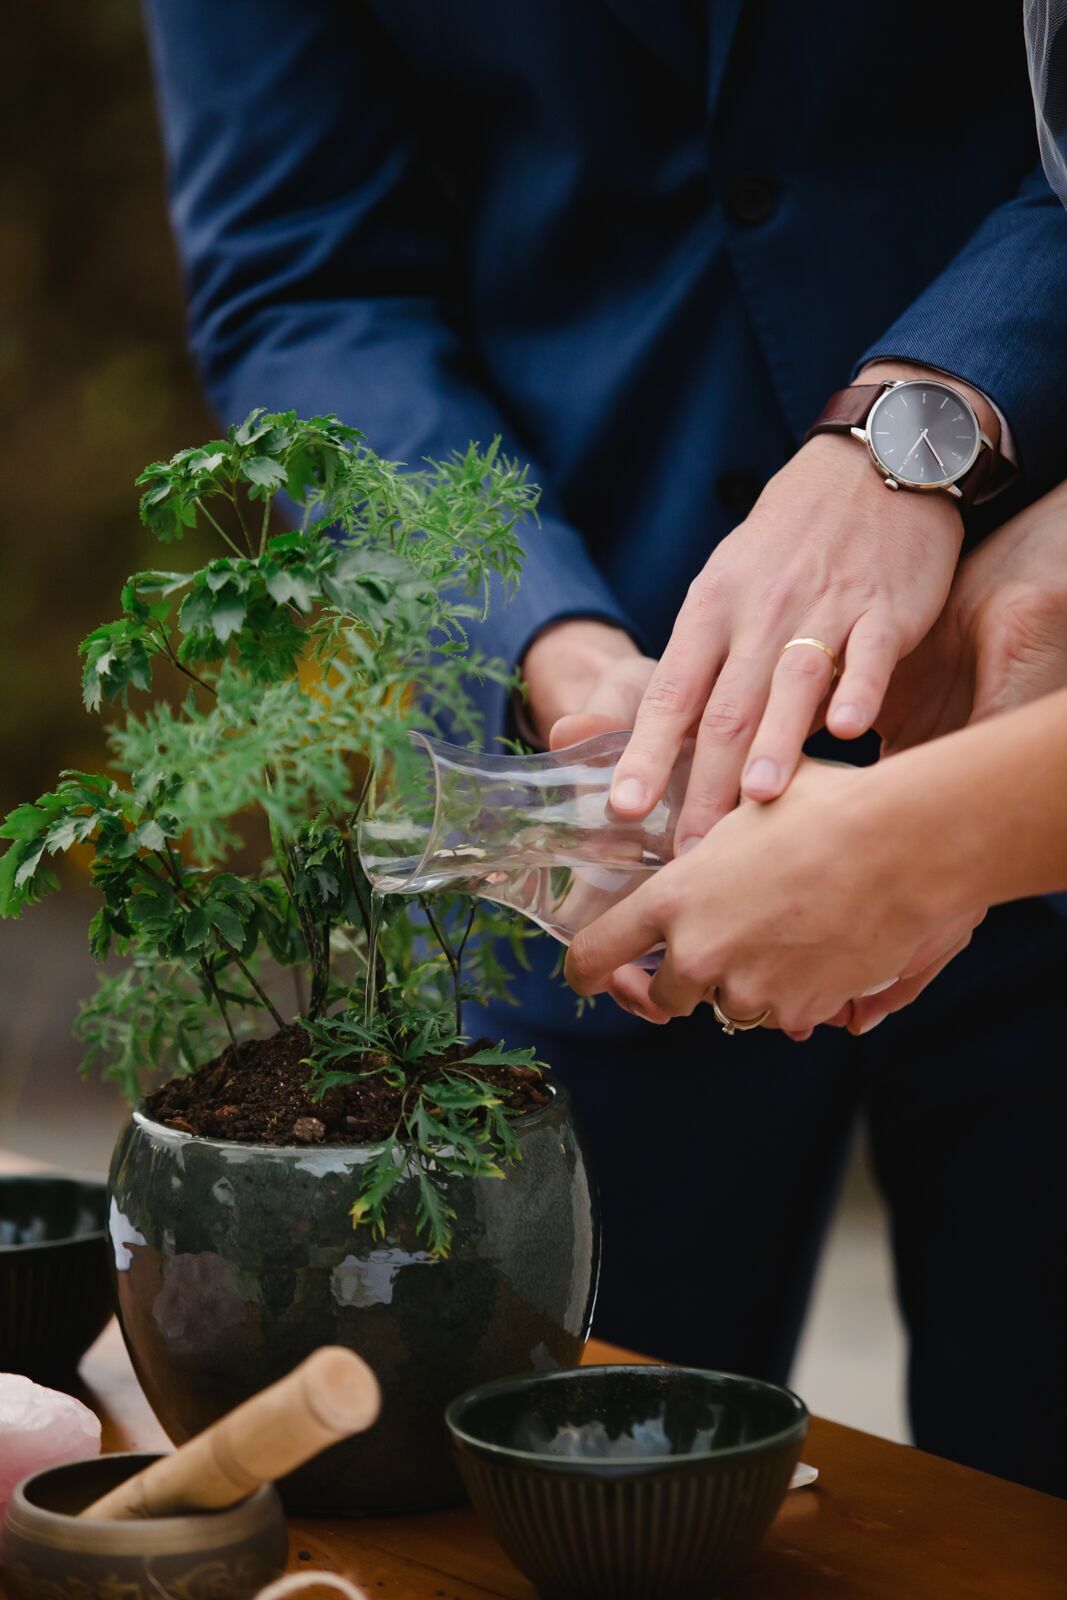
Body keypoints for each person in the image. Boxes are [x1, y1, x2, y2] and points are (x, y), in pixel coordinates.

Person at [142, 3, 1067, 1494]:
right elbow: (304, 277)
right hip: (599, 765)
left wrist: (925, 423)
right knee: (578, 1485)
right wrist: (548, 649)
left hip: (1028, 625)